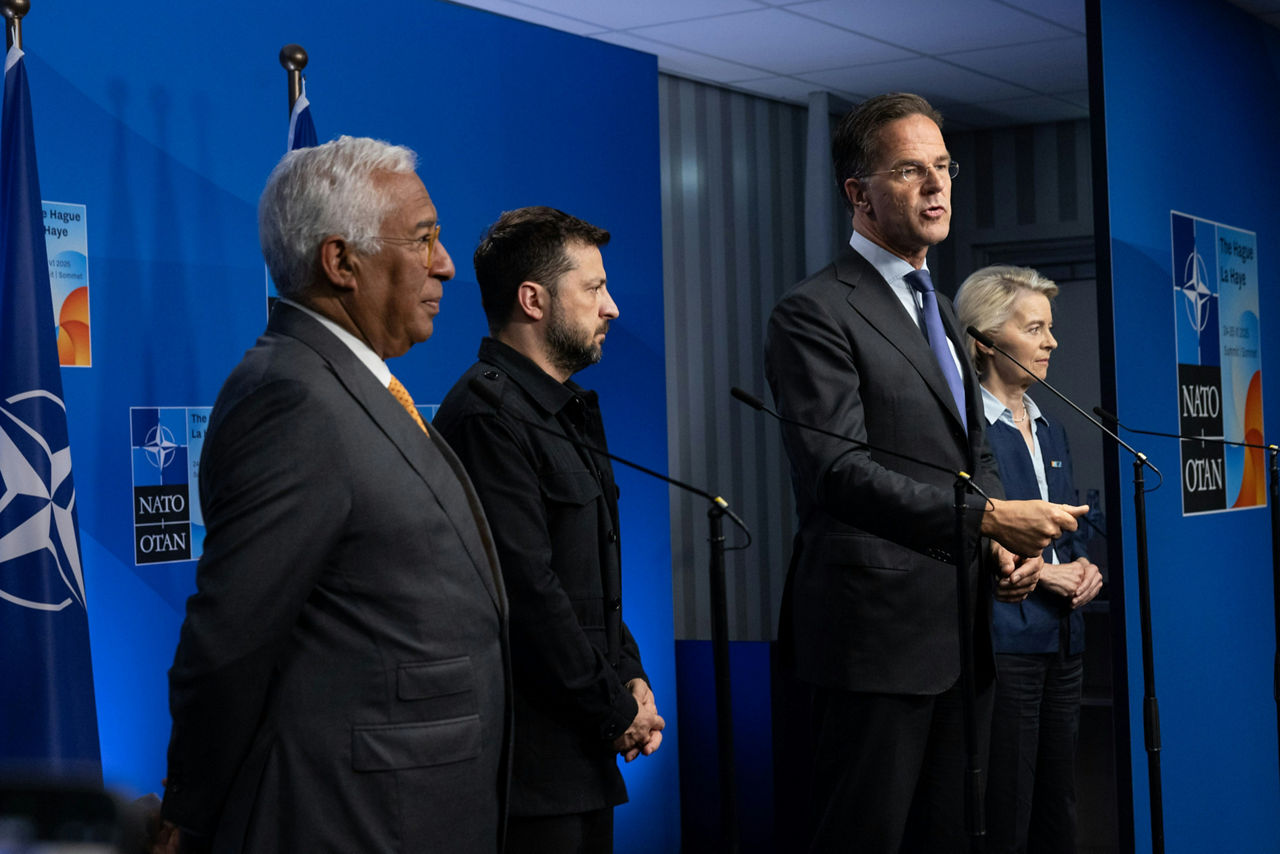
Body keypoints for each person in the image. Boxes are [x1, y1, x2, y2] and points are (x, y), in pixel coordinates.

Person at [160, 136, 510, 853]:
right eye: (424, 239)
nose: (445, 264)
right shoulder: (289, 397)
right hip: (356, 820)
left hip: (418, 805)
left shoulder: (352, 383)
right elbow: (229, 642)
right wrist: (186, 815)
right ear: (340, 261)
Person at [763, 92, 1088, 852]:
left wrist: (1001, 549)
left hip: (961, 631)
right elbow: (836, 469)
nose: (937, 187)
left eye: (943, 166)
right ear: (859, 193)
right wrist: (983, 520)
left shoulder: (940, 307)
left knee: (952, 836)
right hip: (873, 640)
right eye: (911, 171)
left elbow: (971, 455)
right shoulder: (814, 311)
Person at [433, 206, 663, 854]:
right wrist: (617, 709)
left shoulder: (566, 412)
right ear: (532, 300)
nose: (611, 307)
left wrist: (631, 675)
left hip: (583, 758)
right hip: (525, 774)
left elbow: (589, 580)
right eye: (593, 289)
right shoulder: (486, 416)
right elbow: (528, 595)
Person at [955, 265, 1103, 854]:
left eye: (1051, 328)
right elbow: (969, 529)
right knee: (1007, 806)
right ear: (985, 340)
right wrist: (1045, 573)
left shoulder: (1052, 428)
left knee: (1057, 805)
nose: (1051, 343)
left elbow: (1071, 526)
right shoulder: (965, 432)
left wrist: (1085, 568)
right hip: (1004, 644)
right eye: (1036, 328)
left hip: (1064, 641)